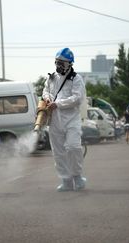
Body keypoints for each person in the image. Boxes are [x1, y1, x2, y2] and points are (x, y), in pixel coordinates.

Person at [42, 48, 87, 192]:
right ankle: (66, 180)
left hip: (71, 119)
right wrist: (47, 98)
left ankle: (77, 176)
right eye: (57, 62)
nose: (58, 66)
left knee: (73, 147)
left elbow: (77, 98)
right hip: (55, 119)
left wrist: (58, 104)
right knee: (58, 152)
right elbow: (45, 91)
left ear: (69, 64)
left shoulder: (76, 79)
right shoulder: (51, 77)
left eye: (62, 63)